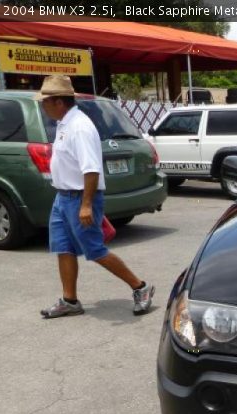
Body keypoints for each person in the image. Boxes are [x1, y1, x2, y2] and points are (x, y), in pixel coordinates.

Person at [37, 75, 154, 319]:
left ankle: (140, 287)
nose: (42, 105)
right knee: (63, 247)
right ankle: (70, 301)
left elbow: (91, 169)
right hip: (63, 198)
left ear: (58, 102)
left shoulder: (79, 127)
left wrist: (86, 205)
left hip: (79, 198)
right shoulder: (64, 124)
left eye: (45, 101)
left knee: (95, 250)